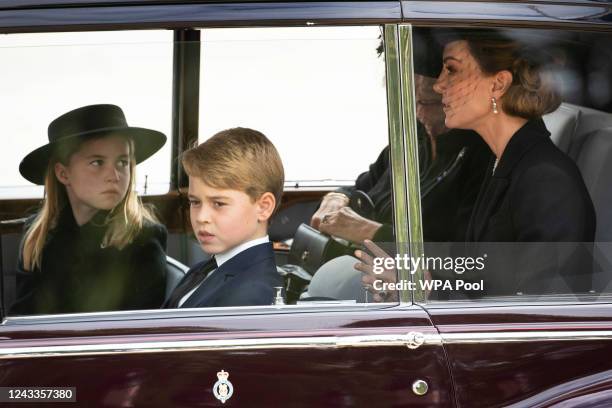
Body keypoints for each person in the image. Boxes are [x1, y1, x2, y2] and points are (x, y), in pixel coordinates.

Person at [431, 30, 595, 295]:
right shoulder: (502, 162)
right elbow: (482, 274)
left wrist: (430, 291)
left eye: (451, 70)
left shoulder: (546, 179)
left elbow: (543, 313)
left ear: (498, 85)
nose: (438, 85)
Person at [10, 104, 168, 315]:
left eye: (123, 162)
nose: (114, 175)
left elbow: (134, 329)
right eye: (97, 162)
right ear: (63, 174)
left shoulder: (143, 241)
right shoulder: (38, 237)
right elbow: (24, 318)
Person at [163, 127, 284, 308]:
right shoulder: (203, 269)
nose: (201, 217)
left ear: (263, 207)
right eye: (195, 202)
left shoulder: (251, 296)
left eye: (218, 204)